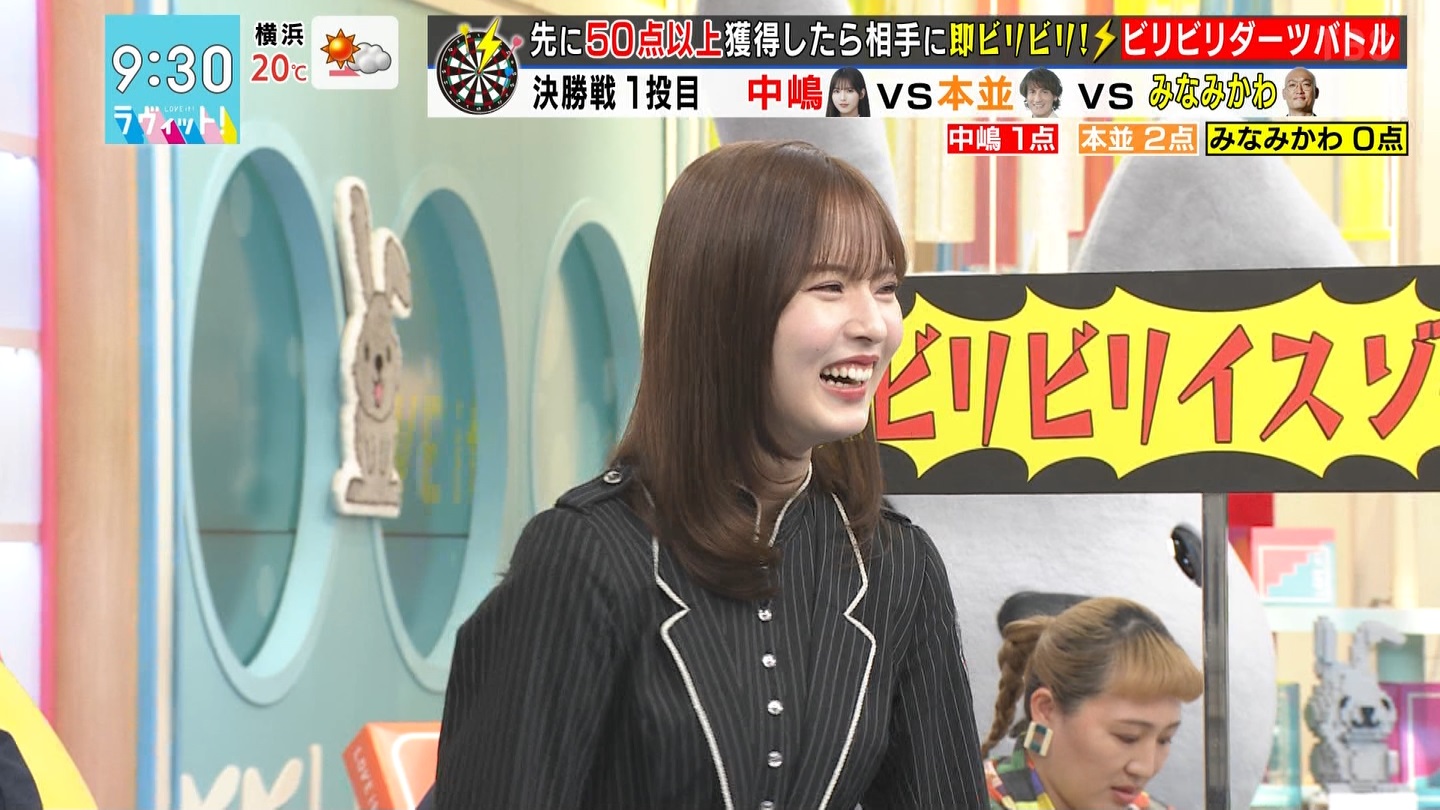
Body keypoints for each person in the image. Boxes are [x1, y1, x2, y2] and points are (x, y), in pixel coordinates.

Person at [431, 139, 988, 809]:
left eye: (886, 288)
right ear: (725, 307)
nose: (874, 325)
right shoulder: (586, 555)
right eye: (830, 287)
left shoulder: (897, 567)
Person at [980, 597, 1203, 810]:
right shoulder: (969, 801)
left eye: (1164, 739)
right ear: (1046, 709)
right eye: (1128, 736)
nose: (1146, 767)